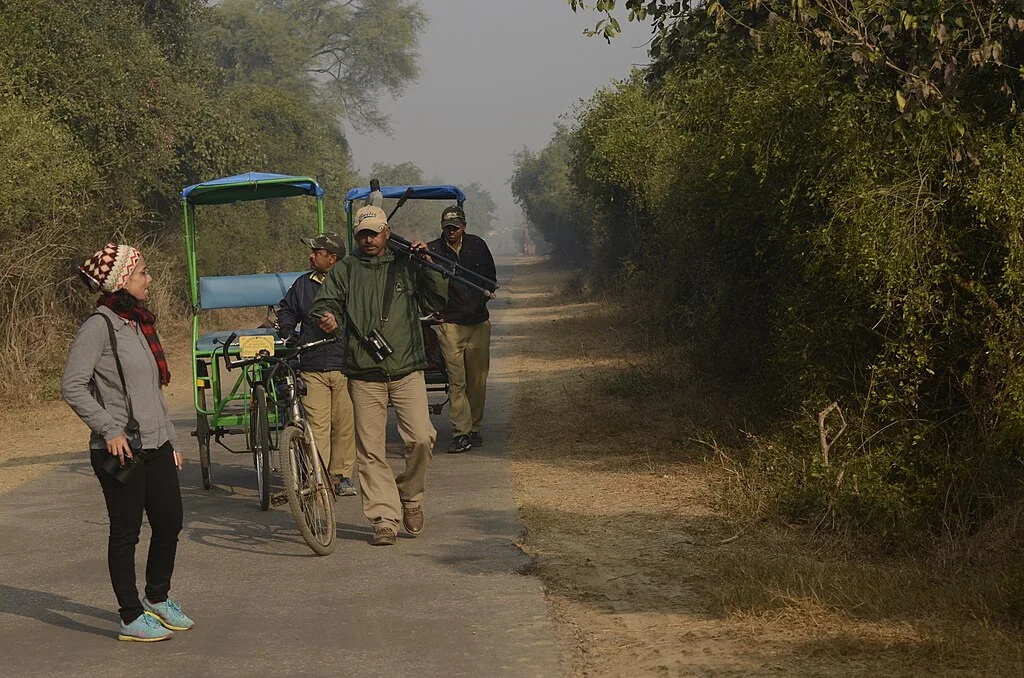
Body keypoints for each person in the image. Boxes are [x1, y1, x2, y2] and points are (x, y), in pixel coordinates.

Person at [61, 243, 193, 642]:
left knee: (169, 522)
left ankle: (158, 597)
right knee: (126, 532)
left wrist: (170, 439)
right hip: (120, 450)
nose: (148, 280)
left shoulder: (138, 323)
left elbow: (150, 390)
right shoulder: (98, 326)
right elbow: (72, 385)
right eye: (142, 274)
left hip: (156, 445)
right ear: (122, 281)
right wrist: (109, 428)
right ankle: (130, 616)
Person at [311, 205, 448, 546]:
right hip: (364, 372)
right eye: (362, 234)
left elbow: (438, 298)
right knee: (370, 451)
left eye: (374, 232)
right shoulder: (345, 270)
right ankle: (384, 518)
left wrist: (427, 263)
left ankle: (411, 497)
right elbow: (323, 304)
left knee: (421, 437)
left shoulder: (406, 264)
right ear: (356, 236)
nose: (369, 239)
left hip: (406, 367)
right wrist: (328, 317)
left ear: (387, 232)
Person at [276, 231, 357, 497]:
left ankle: (342, 476)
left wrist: (340, 324)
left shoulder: (351, 282)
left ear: (332, 259)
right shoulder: (302, 284)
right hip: (312, 364)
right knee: (318, 425)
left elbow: (362, 316)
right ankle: (317, 477)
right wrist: (288, 332)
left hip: (346, 365)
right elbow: (286, 309)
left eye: (317, 252)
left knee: (344, 424)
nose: (311, 256)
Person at [427, 205, 497, 453]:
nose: (452, 231)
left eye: (456, 227)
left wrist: (479, 302)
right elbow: (426, 286)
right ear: (443, 228)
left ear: (464, 226)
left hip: (478, 322)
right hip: (450, 325)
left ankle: (474, 428)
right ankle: (461, 432)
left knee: (476, 381)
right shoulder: (433, 250)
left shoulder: (477, 245)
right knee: (457, 382)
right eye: (448, 228)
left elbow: (491, 278)